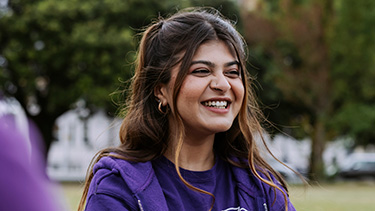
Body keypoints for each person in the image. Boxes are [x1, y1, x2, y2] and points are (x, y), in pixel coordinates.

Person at [78, 7, 296, 211]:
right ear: (160, 90)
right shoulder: (118, 185)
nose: (222, 84)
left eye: (232, 72)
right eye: (201, 71)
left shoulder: (262, 187)